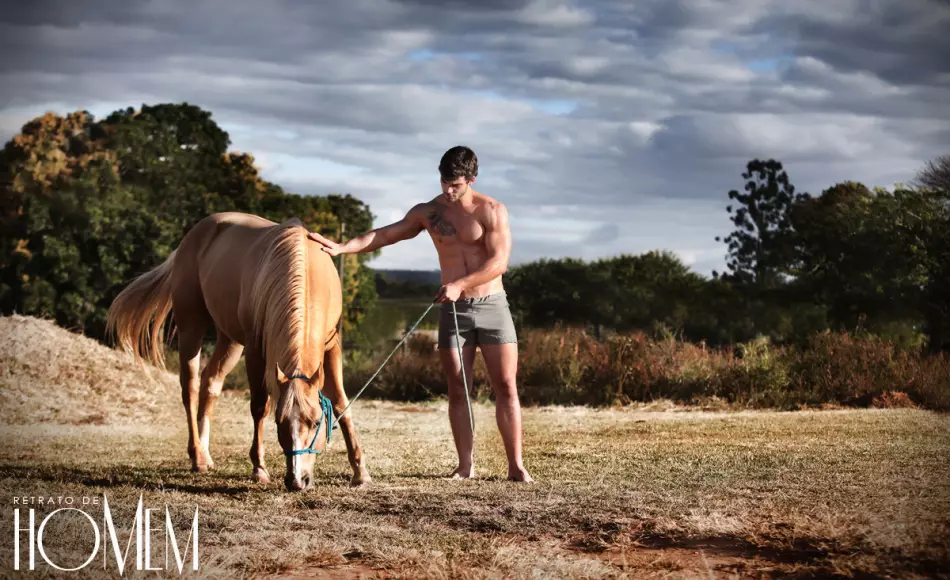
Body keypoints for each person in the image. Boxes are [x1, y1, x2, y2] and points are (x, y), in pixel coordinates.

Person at [307, 146, 534, 483]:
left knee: (505, 386)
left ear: (471, 179)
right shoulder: (428, 212)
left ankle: (516, 466)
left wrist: (460, 283)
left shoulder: (492, 211)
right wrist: (344, 247)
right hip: (452, 310)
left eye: (455, 184)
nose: (448, 190)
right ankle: (465, 466)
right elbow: (386, 234)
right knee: (458, 387)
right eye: (444, 181)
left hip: (491, 307)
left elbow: (498, 263)